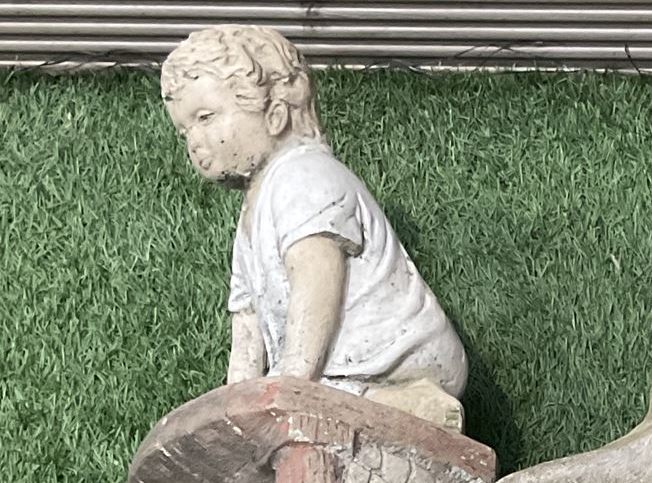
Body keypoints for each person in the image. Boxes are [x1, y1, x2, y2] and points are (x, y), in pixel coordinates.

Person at [160, 25, 467, 428]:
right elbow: (247, 319)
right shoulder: (254, 208)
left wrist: (292, 380)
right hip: (336, 369)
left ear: (274, 115)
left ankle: (417, 405)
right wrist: (233, 407)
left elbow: (317, 280)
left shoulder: (304, 176)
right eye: (185, 130)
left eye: (206, 117)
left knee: (315, 404)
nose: (194, 142)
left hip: (395, 358)